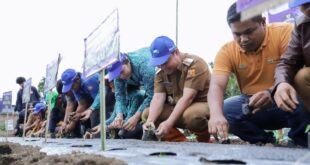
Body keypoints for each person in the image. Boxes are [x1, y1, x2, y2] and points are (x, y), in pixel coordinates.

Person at [208, 2, 309, 147]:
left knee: (301, 83)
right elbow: (216, 85)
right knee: (226, 109)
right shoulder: (226, 51)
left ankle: (299, 140)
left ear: (262, 22)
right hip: (254, 106)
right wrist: (216, 114)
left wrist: (271, 92)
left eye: (249, 32)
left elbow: (292, 67)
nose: (243, 39)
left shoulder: (285, 32)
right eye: (237, 34)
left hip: (288, 98)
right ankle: (264, 141)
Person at [142, 36, 211, 142]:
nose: (162, 66)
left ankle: (205, 140)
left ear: (176, 52)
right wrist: (150, 121)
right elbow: (158, 98)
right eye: (159, 63)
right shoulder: (161, 71)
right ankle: (180, 142)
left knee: (192, 116)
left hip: (201, 106)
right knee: (148, 114)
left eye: (165, 61)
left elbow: (188, 98)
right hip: (177, 108)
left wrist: (169, 122)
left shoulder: (195, 64)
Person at [106, 47, 155, 135]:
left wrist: (136, 117)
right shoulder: (119, 74)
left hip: (158, 80)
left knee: (145, 114)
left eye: (121, 72)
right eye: (116, 75)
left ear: (128, 61)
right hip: (140, 81)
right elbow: (120, 96)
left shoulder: (145, 66)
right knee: (126, 131)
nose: (121, 77)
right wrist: (119, 115)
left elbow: (151, 95)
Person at [274, 1, 310, 112]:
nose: (308, 9)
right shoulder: (302, 25)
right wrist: (281, 83)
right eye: (304, 5)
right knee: (302, 77)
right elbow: (288, 61)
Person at [60, 69, 100, 133]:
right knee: (84, 117)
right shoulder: (75, 86)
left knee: (95, 116)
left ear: (77, 79)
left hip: (104, 96)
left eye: (72, 86)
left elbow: (100, 99)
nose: (71, 89)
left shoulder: (88, 80)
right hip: (94, 100)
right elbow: (82, 104)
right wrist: (74, 118)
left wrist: (87, 111)